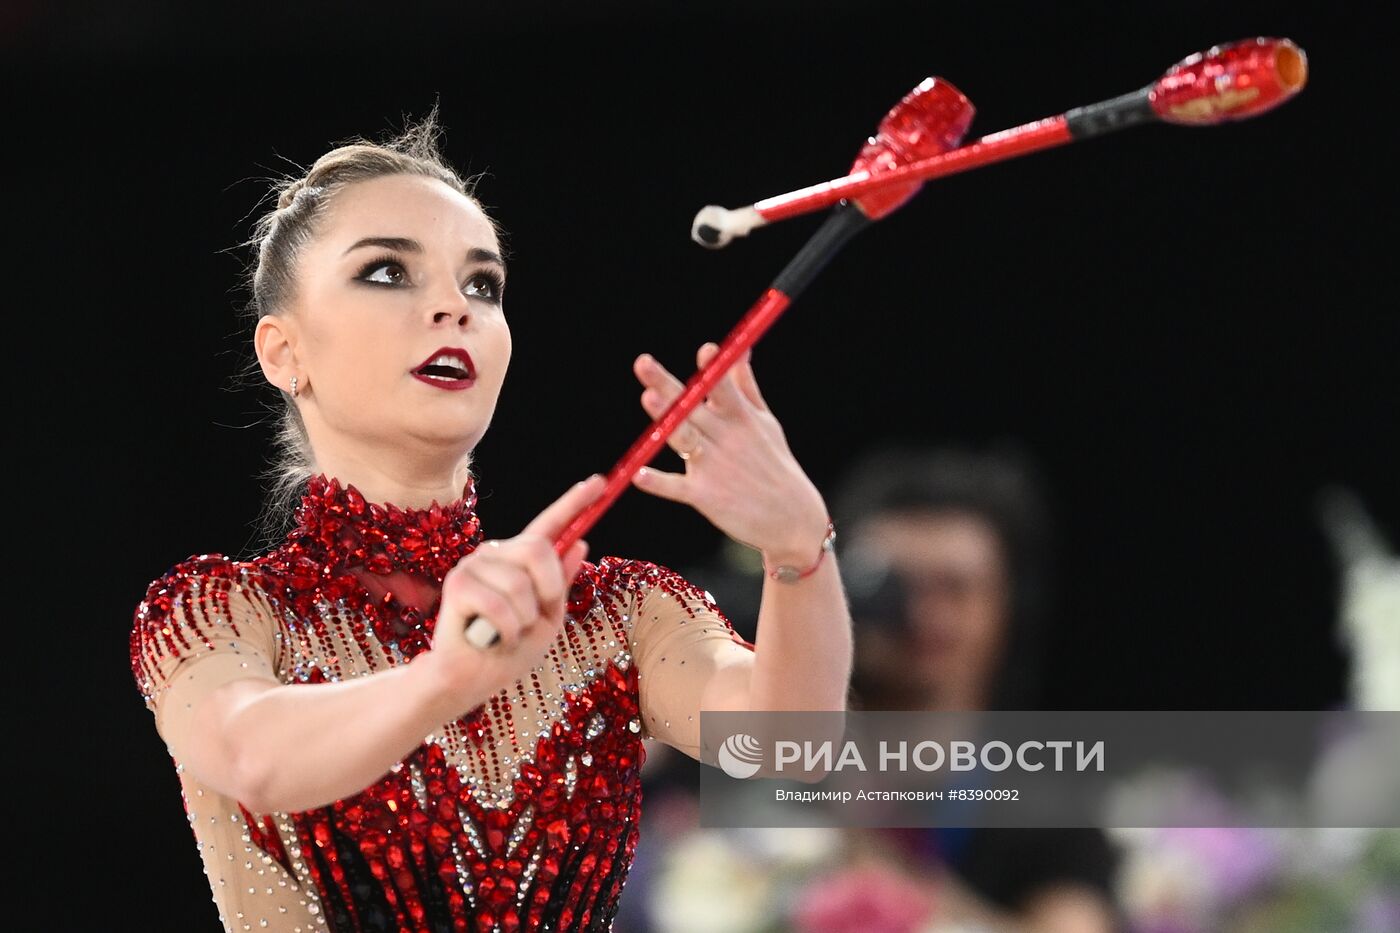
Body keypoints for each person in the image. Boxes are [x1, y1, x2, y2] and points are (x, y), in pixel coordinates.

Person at [128, 107, 852, 933]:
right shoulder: (219, 611)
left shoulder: (611, 615)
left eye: (482, 284)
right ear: (283, 351)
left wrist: (799, 550)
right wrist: (447, 677)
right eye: (387, 272)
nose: (454, 307)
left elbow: (792, 749)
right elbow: (254, 755)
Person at [831, 444, 1123, 932]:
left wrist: (895, 893)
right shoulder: (767, 764)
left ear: (1004, 607)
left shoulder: (1050, 799)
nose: (922, 616)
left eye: (956, 588)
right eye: (893, 588)